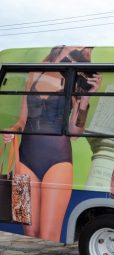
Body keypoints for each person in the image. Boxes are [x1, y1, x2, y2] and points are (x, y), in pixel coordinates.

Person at [2, 46, 102, 242]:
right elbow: (22, 120)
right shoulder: (33, 73)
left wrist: (85, 99)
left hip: (58, 161)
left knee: (49, 234)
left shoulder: (75, 81)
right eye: (76, 51)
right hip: (24, 160)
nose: (78, 55)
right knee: (29, 233)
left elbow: (75, 133)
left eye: (83, 54)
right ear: (60, 50)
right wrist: (12, 130)